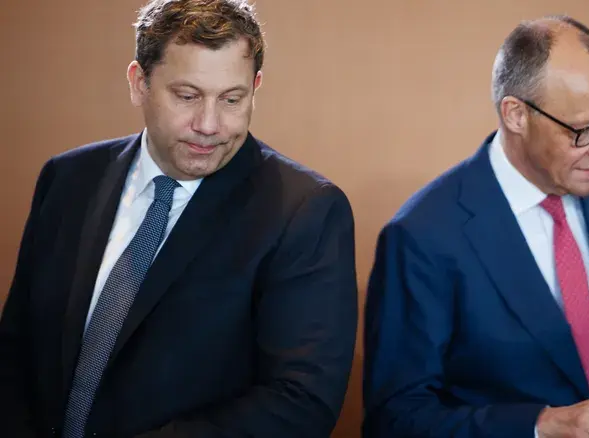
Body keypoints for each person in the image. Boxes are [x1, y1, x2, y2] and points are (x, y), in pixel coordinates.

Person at [0, 1, 358, 437]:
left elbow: (300, 403)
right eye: (187, 96)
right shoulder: (69, 178)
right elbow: (17, 349)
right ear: (139, 83)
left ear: (256, 87)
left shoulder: (303, 210)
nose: (209, 124)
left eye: (231, 99)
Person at [363, 15, 589, 438]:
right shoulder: (422, 237)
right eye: (585, 130)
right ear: (516, 115)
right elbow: (396, 419)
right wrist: (539, 425)